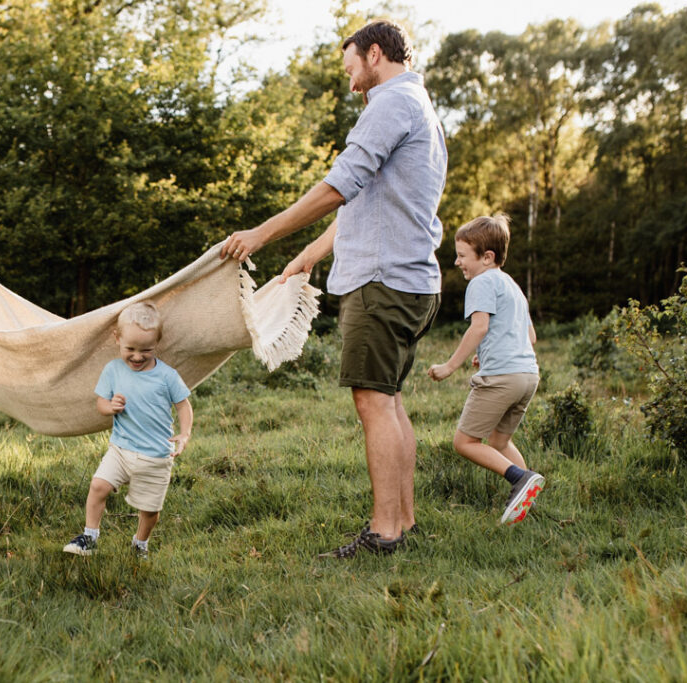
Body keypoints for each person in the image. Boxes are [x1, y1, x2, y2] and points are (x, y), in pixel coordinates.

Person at [220, 20, 446, 556]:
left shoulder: (390, 104)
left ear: (374, 54)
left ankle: (384, 533)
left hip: (383, 281)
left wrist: (261, 234)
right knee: (388, 401)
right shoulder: (421, 109)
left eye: (350, 66)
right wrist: (303, 259)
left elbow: (339, 186)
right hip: (411, 280)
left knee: (373, 402)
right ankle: (404, 524)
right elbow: (361, 207)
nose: (347, 76)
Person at [427, 215, 544, 524]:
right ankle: (527, 491)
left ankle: (519, 479)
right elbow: (529, 337)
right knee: (499, 443)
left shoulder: (481, 282)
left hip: (502, 378)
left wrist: (450, 366)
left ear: (487, 257)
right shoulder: (513, 286)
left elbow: (479, 328)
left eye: (463, 255)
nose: (456, 262)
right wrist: (490, 352)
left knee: (464, 443)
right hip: (528, 376)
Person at [62, 302, 193, 559]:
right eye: (130, 349)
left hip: (155, 455)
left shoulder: (167, 376)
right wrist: (110, 406)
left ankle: (140, 544)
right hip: (121, 449)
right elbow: (100, 402)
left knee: (150, 511)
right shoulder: (113, 370)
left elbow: (183, 405)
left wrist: (185, 432)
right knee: (98, 486)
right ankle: (90, 536)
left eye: (146, 349)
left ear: (158, 343)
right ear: (117, 339)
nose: (137, 356)